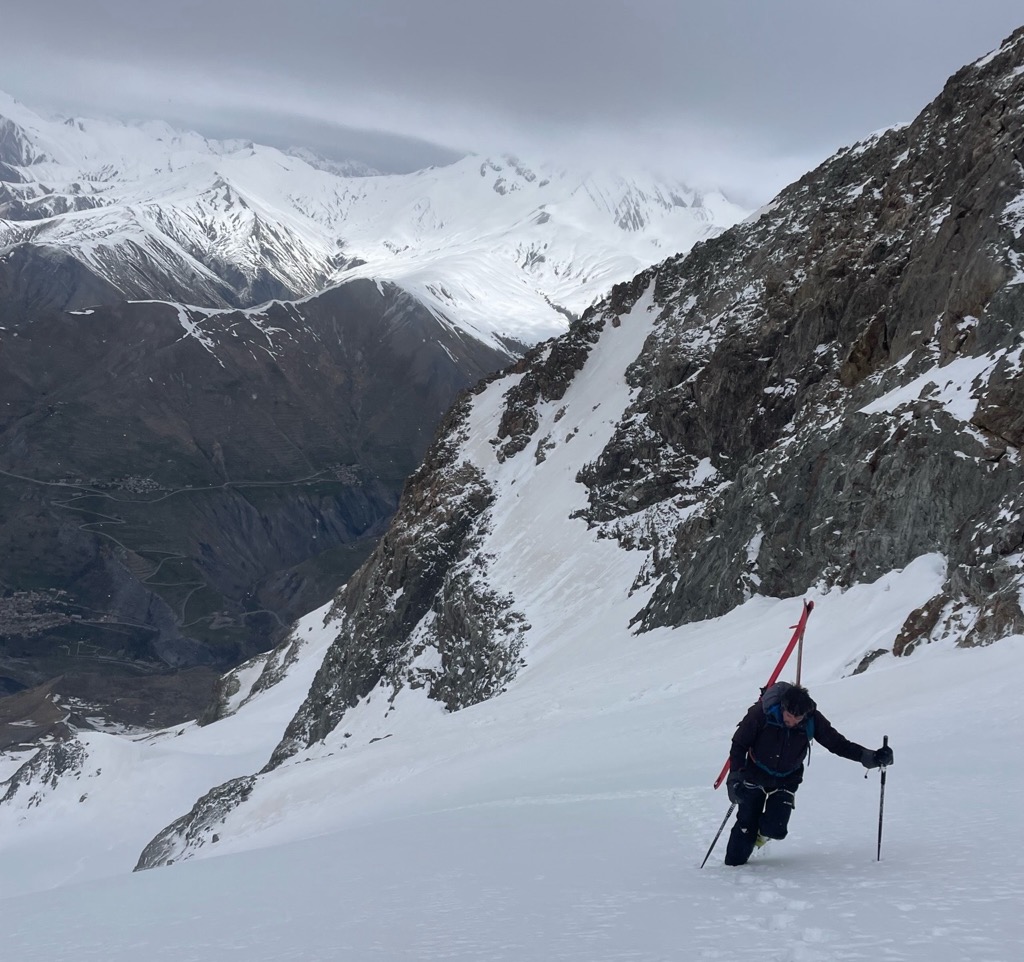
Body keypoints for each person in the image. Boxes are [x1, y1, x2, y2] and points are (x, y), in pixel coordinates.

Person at [723, 681, 893, 866]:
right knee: (745, 827)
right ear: (783, 707)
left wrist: (871, 757)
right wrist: (735, 779)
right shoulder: (761, 714)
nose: (793, 722)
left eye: (798, 718)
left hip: (786, 779)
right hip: (754, 774)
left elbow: (837, 744)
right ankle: (731, 873)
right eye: (789, 716)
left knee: (776, 829)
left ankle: (759, 835)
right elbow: (739, 746)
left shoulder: (812, 719)